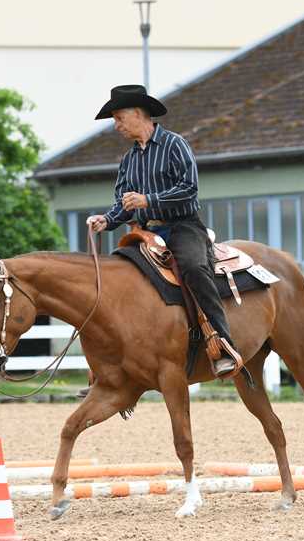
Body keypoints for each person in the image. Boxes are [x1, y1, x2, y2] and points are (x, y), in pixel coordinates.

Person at [87, 84, 239, 378]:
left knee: (194, 268)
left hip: (183, 226)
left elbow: (189, 188)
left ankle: (222, 343)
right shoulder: (128, 159)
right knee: (117, 278)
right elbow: (124, 203)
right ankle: (115, 361)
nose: (116, 125)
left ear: (137, 113)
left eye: (118, 118)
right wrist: (106, 220)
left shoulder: (175, 144)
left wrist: (148, 200)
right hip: (146, 233)